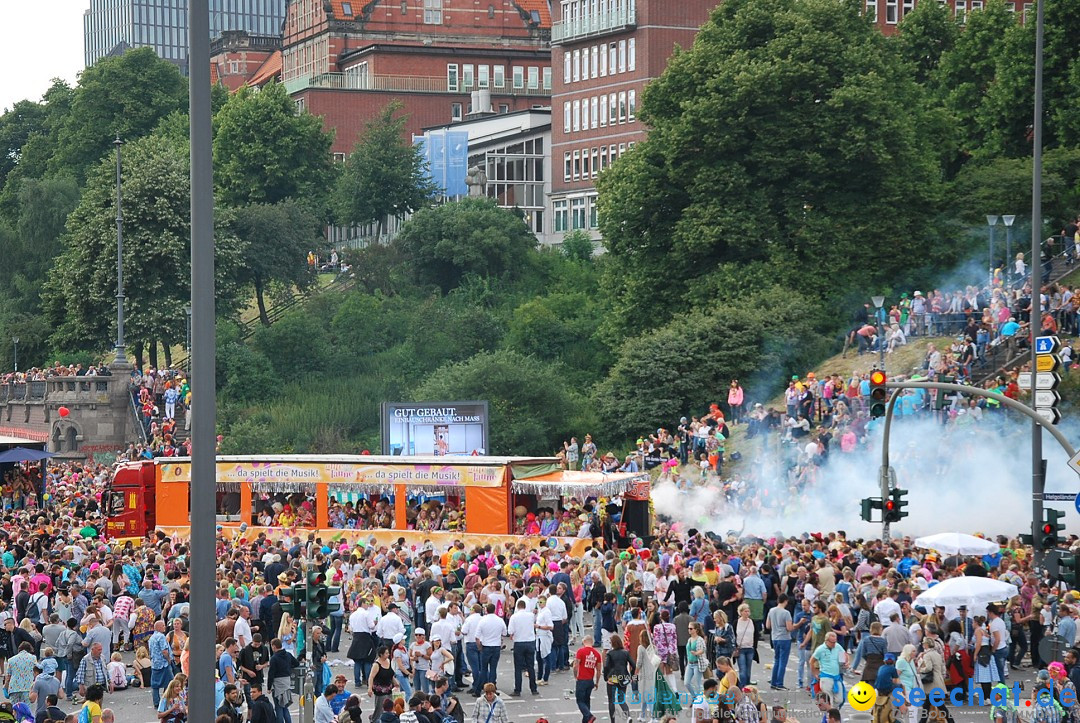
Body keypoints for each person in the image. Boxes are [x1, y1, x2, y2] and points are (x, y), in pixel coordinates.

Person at [507, 600, 538, 697]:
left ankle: (518, 689)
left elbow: (510, 630)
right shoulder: (530, 616)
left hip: (519, 642)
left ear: (517, 606)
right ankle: (533, 688)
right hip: (530, 641)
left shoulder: (514, 617)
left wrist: (512, 634)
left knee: (518, 668)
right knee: (530, 667)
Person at [603, 634, 634, 723]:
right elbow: (633, 665)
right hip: (623, 677)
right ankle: (628, 716)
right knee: (621, 699)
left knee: (611, 700)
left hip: (613, 678)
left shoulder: (610, 653)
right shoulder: (625, 652)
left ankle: (613, 720)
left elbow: (606, 667)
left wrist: (606, 677)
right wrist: (631, 675)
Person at [766, 594, 794, 690]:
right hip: (784, 638)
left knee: (777, 660)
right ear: (786, 601)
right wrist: (796, 625)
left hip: (774, 637)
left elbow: (768, 626)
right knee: (783, 661)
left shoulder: (771, 610)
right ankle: (779, 683)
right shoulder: (786, 613)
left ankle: (773, 682)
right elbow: (789, 627)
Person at [573, 639, 603, 723]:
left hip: (582, 679)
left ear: (583, 642)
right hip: (590, 680)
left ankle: (589, 716)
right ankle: (586, 720)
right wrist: (597, 682)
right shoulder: (597, 654)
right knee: (587, 700)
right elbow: (599, 670)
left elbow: (576, 665)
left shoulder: (581, 651)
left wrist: (575, 676)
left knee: (580, 701)